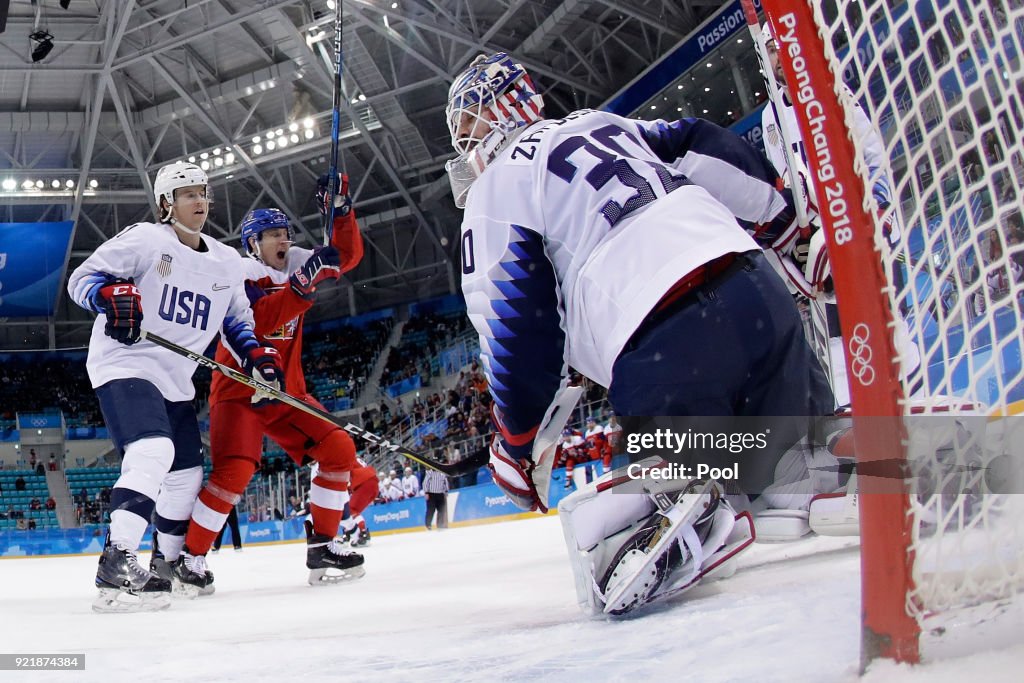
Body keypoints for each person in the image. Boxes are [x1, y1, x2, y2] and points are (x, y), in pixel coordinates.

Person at [445, 53, 833, 614]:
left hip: (667, 341)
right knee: (790, 460)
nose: (464, 145)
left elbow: (514, 322)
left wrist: (517, 439)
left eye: (467, 127)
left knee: (627, 535)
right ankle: (816, 460)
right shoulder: (600, 123)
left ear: (499, 108)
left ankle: (685, 494)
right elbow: (703, 146)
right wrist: (786, 224)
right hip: (759, 295)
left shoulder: (495, 189)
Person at [68, 160, 285, 613]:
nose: (200, 201)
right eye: (188, 194)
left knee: (186, 474)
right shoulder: (147, 239)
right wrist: (109, 298)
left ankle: (165, 561)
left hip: (175, 378)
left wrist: (257, 356)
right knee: (153, 450)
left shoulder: (226, 261)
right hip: (124, 361)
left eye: (203, 192)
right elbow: (82, 280)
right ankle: (117, 560)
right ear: (167, 203)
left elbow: (236, 323)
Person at [180, 173, 366, 588]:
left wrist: (340, 209)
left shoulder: (298, 263)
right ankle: (191, 559)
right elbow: (261, 319)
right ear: (252, 244)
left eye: (284, 232)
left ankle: (323, 546)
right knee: (236, 471)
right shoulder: (238, 272)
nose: (282, 240)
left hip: (286, 392)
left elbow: (347, 255)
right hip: (239, 390)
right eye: (271, 235)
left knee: (339, 449)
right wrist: (303, 286)